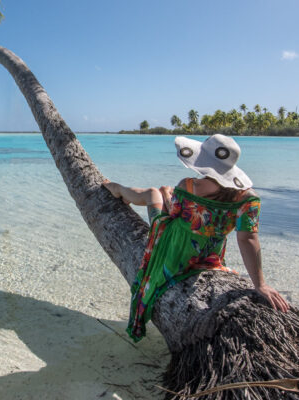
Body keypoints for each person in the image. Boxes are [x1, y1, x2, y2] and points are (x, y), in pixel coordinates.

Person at [103, 134, 289, 342]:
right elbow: (248, 239)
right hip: (208, 256)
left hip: (172, 249)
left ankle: (117, 189)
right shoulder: (248, 198)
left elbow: (173, 217)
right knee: (163, 193)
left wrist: (167, 195)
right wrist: (260, 284)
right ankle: (142, 191)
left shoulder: (188, 185)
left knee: (152, 194)